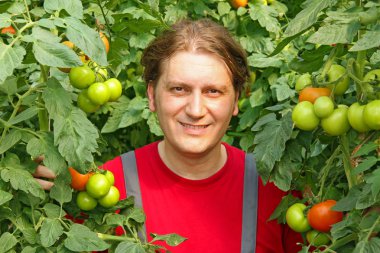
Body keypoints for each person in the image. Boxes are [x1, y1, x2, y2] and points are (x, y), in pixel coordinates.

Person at [35, 18, 302, 253]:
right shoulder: (105, 188)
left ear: (236, 101)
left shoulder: (277, 192)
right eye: (179, 89)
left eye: (213, 92)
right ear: (152, 96)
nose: (196, 110)